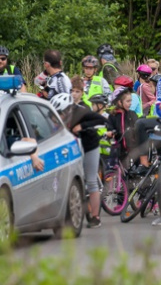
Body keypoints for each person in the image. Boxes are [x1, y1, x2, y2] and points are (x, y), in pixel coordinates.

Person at [51, 93, 108, 228]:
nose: (59, 116)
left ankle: (95, 217)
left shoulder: (82, 112)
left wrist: (82, 126)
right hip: (72, 147)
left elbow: (101, 120)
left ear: (68, 109)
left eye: (61, 113)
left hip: (89, 146)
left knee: (91, 180)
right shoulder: (56, 116)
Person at [106, 87, 139, 169]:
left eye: (131, 101)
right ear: (119, 102)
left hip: (133, 148)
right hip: (119, 149)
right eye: (128, 101)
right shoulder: (113, 116)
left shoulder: (132, 114)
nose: (130, 103)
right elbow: (109, 127)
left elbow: (137, 126)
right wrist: (110, 132)